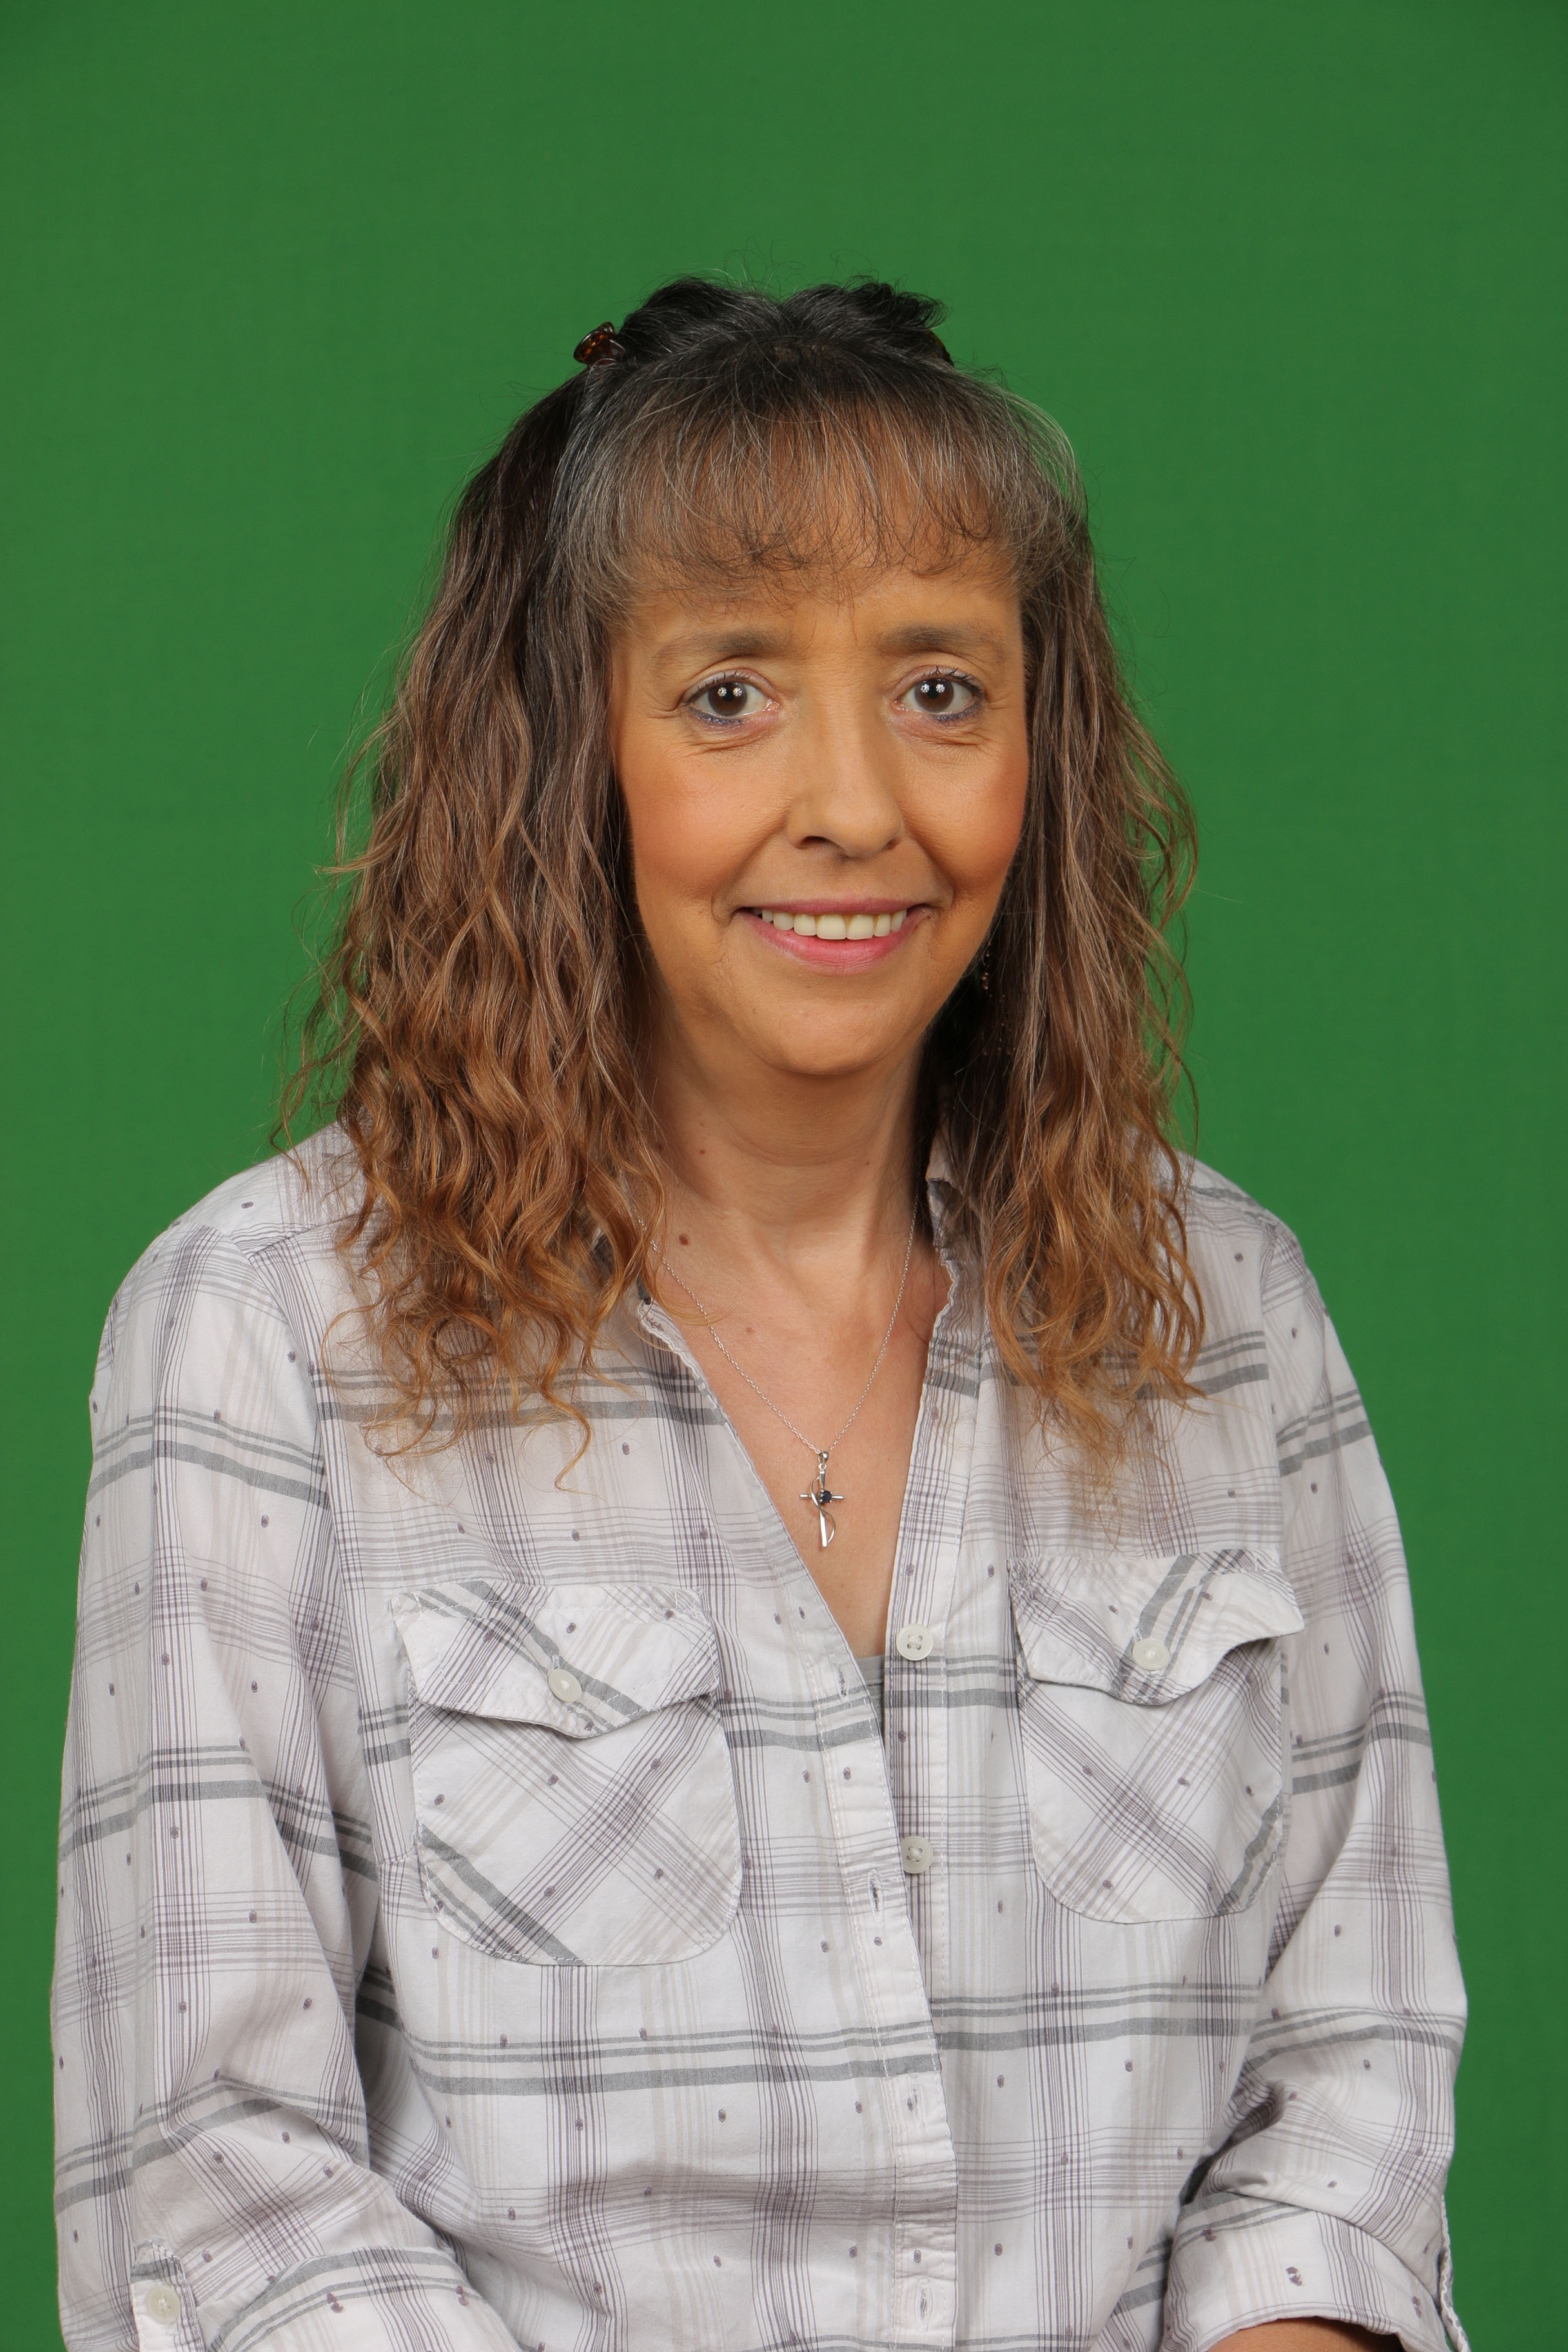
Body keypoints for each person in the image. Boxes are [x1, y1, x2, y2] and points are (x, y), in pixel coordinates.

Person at [52, 279, 1467, 2352]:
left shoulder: (1229, 1314)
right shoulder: (262, 1334)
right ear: (573, 755)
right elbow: (217, 2180)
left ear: (1041, 749)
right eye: (731, 695)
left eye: (941, 689)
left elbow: (1346, 2094)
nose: (858, 805)